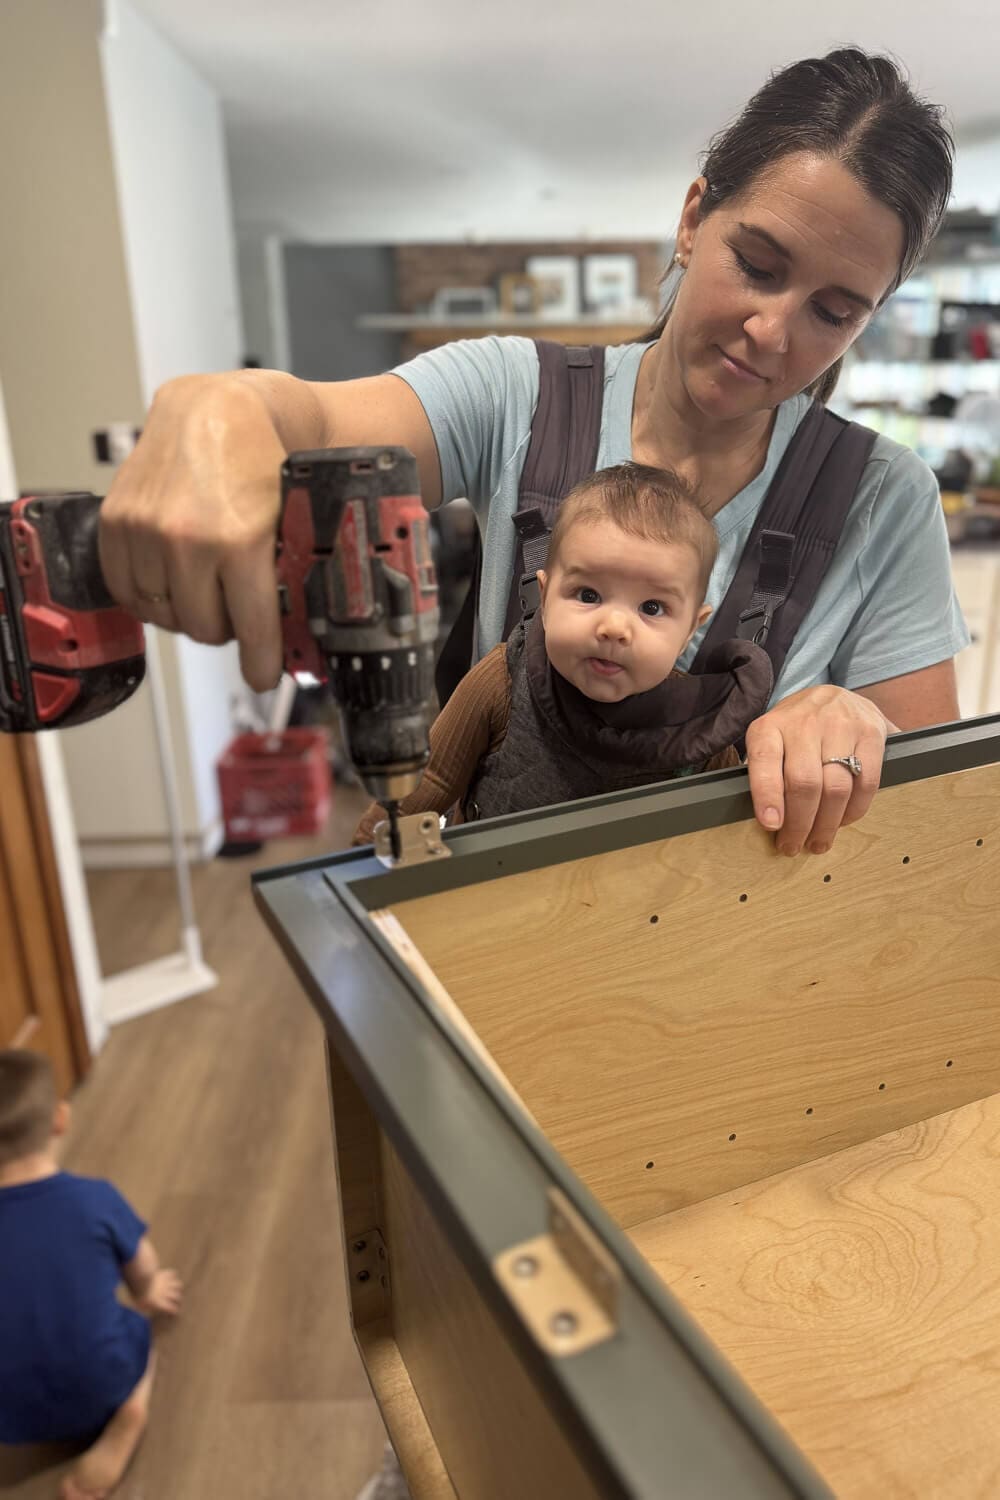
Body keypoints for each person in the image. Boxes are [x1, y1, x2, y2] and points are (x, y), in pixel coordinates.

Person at [97, 46, 965, 861]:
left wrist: (853, 723)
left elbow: (930, 813)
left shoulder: (884, 501)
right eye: (758, 264)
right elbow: (311, 422)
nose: (772, 332)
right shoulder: (515, 392)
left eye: (834, 312)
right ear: (695, 218)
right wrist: (214, 407)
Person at [354, 461, 773, 841]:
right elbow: (432, 780)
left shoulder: (699, 725)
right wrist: (359, 867)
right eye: (588, 594)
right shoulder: (502, 680)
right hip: (494, 894)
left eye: (652, 608)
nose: (613, 628)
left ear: (688, 631)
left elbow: (722, 833)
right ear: (546, 595)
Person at [0, 1050, 182, 1500]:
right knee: (139, 1330)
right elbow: (143, 1267)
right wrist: (149, 1288)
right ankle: (130, 1413)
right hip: (100, 1387)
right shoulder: (94, 1200)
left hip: (8, 1419)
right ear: (60, 1119)